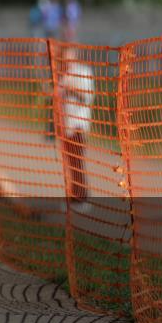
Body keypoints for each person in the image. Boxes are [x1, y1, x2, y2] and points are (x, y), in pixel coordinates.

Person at [57, 47, 94, 212]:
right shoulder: (65, 75)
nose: (66, 60)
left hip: (79, 125)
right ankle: (75, 197)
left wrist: (70, 89)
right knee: (71, 163)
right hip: (67, 125)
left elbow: (86, 96)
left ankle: (83, 199)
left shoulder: (83, 72)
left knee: (78, 162)